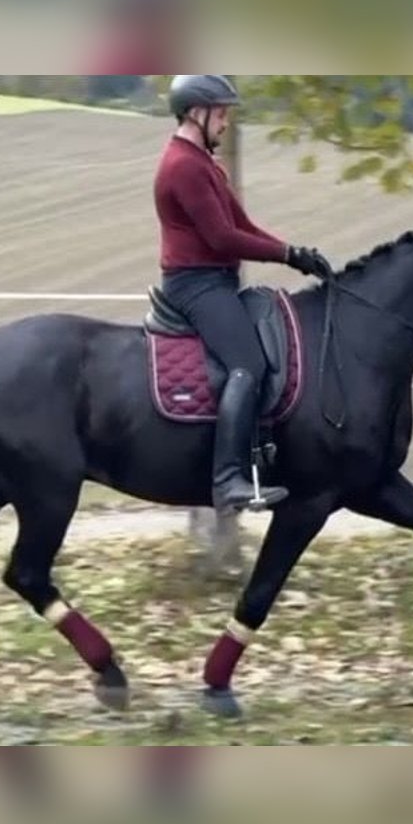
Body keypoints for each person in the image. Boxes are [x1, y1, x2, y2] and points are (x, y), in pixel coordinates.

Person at [155, 75, 332, 512]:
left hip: (216, 282)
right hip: (194, 285)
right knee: (247, 364)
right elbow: (221, 238)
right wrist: (286, 254)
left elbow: (243, 227)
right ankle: (227, 480)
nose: (226, 122)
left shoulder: (204, 164)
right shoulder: (183, 166)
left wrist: (296, 254)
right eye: (221, 113)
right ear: (196, 113)